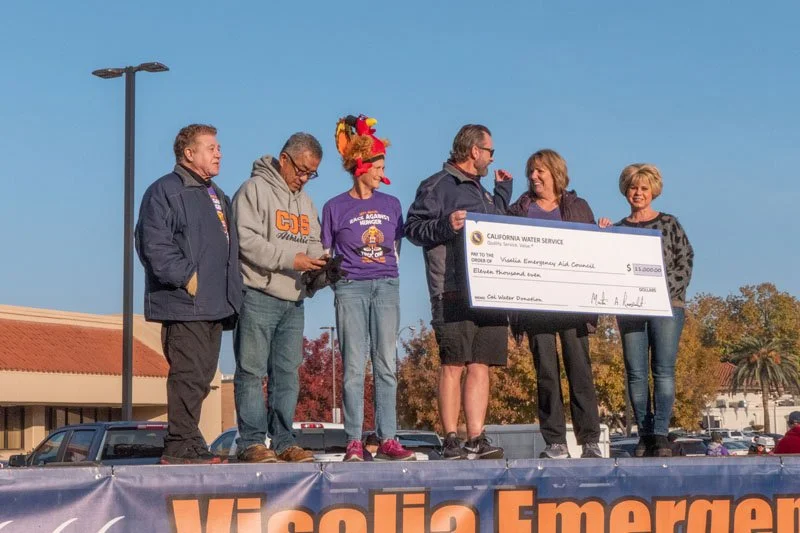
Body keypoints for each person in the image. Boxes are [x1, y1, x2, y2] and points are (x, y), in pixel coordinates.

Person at [135, 124, 243, 464]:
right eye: (211, 148)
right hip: (185, 303)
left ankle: (190, 442)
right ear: (189, 153)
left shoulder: (217, 194)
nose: (219, 153)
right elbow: (152, 243)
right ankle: (179, 445)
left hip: (215, 303)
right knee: (188, 375)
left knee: (201, 378)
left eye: (218, 147)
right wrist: (187, 278)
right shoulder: (165, 190)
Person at [405, 124, 512, 460]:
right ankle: (450, 438)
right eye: (490, 151)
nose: (492, 158)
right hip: (451, 289)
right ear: (474, 151)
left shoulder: (484, 192)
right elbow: (413, 229)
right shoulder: (437, 185)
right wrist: (445, 225)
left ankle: (476, 438)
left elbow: (499, 229)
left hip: (490, 292)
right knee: (453, 363)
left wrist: (502, 193)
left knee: (481, 364)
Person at [322, 115, 414, 462]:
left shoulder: (391, 204)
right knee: (353, 366)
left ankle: (388, 437)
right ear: (361, 165)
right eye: (378, 166)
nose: (382, 173)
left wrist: (386, 274)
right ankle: (354, 441)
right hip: (350, 288)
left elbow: (396, 248)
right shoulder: (334, 207)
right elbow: (326, 252)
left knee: (386, 362)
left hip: (386, 285)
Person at [232, 133, 327, 464]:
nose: (304, 178)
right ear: (284, 159)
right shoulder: (253, 190)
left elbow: (313, 243)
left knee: (287, 374)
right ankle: (252, 443)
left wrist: (323, 267)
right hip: (258, 294)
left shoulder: (306, 203)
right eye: (301, 170)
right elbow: (246, 241)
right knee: (252, 372)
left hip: (293, 300)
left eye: (312, 173)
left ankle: (285, 440)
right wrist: (291, 259)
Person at [507, 149, 603, 459]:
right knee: (546, 374)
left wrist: (603, 233)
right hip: (535, 306)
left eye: (539, 170)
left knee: (580, 372)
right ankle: (555, 442)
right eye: (531, 171)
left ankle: (590, 441)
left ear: (555, 172)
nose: (533, 176)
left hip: (573, 305)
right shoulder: (519, 210)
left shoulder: (577, 206)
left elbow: (593, 249)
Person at [599, 164, 694, 457]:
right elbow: (604, 265)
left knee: (663, 370)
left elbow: (685, 262)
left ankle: (660, 433)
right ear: (625, 191)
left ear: (653, 191)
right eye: (633, 187)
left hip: (667, 307)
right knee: (635, 373)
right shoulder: (616, 229)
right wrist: (600, 234)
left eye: (643, 188)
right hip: (629, 308)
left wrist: (657, 291)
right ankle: (644, 433)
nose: (638, 193)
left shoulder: (669, 223)